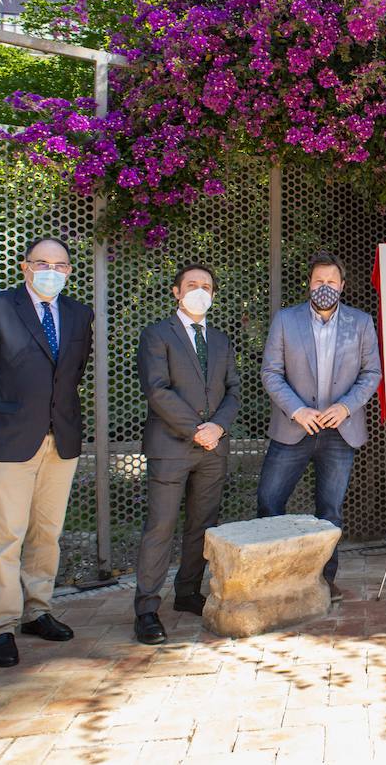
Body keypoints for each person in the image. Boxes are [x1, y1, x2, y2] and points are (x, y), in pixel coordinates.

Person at [0, 237, 94, 667]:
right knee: (4, 537)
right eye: (42, 262)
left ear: (69, 271)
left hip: (60, 440)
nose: (52, 270)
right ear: (24, 267)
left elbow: (71, 374)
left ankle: (38, 610)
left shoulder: (77, 313)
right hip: (4, 439)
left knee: (46, 532)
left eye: (61, 264)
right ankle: (0, 626)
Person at [258, 252, 381, 601]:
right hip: (293, 428)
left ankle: (324, 581)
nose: (324, 287)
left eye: (331, 281)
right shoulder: (286, 320)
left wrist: (346, 407)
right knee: (269, 503)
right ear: (309, 285)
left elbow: (371, 373)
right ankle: (271, 580)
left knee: (329, 512)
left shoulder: (361, 323)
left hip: (340, 432)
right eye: (318, 281)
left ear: (342, 285)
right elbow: (271, 372)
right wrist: (297, 410)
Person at [132, 265, 241, 645]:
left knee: (202, 525)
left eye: (207, 286)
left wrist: (218, 428)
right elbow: (158, 390)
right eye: (192, 285)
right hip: (171, 447)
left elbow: (233, 391)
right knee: (160, 528)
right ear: (177, 291)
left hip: (213, 448)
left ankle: (187, 593)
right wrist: (198, 430)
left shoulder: (223, 341)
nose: (200, 291)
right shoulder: (157, 335)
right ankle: (146, 608)